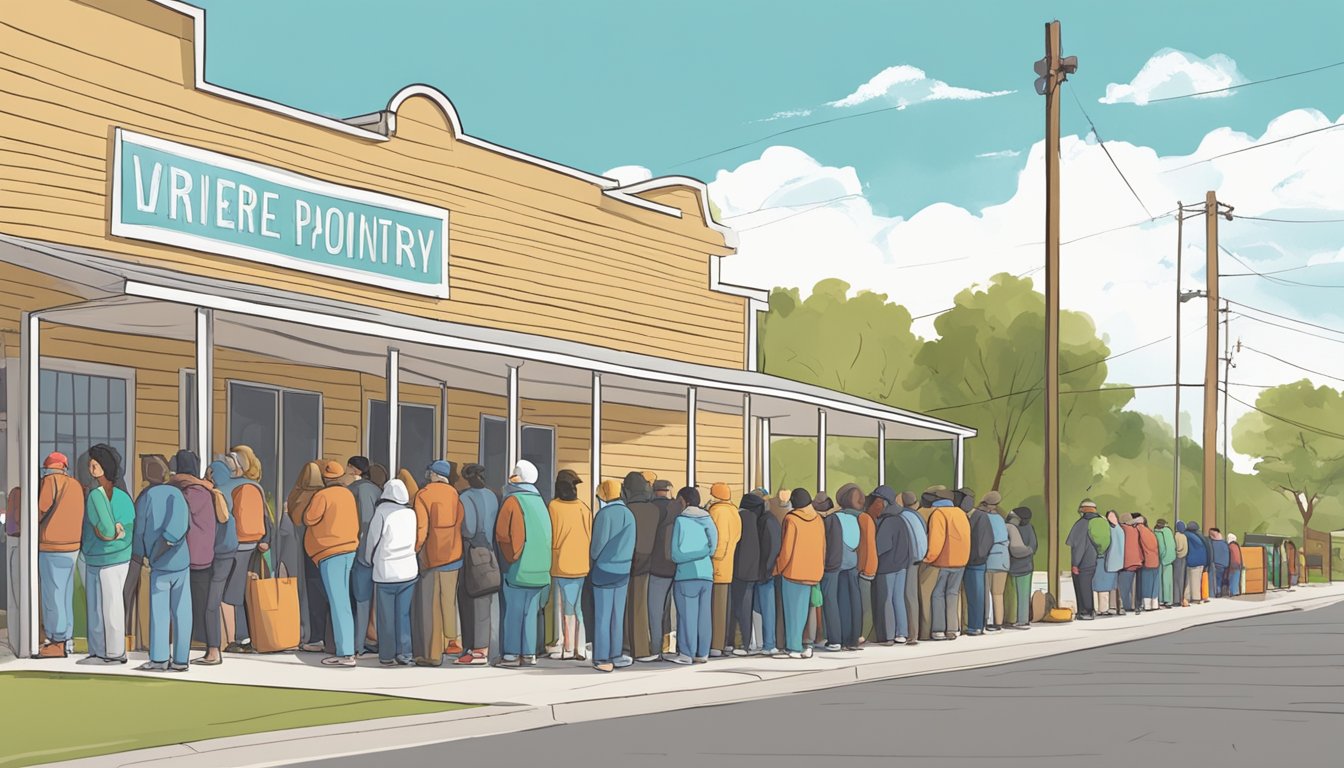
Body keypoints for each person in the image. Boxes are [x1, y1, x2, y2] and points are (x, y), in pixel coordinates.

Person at [133, 456, 191, 672]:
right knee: (182, 610)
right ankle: (181, 659)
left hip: (158, 563)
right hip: (181, 560)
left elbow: (138, 531)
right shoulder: (176, 494)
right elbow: (182, 525)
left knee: (159, 611)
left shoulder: (145, 497)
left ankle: (159, 658)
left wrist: (144, 555)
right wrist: (169, 540)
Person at [495, 460, 552, 667]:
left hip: (518, 568)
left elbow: (503, 535)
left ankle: (511, 654)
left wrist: (510, 559)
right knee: (530, 613)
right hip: (540, 569)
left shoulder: (512, 501)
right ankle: (529, 654)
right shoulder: (540, 501)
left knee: (514, 612)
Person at [81, 444, 134, 665]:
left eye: (95, 463)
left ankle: (104, 651)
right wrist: (117, 534)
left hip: (97, 557)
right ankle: (112, 650)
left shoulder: (95, 496)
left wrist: (111, 533)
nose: (91, 467)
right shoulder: (123, 496)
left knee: (98, 606)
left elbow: (105, 529)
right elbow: (126, 528)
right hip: (121, 557)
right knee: (112, 604)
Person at [304, 460, 360, 667]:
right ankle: (346, 649)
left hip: (329, 552)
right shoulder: (348, 495)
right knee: (343, 601)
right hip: (348, 550)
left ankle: (345, 653)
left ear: (325, 477)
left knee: (338, 602)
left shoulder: (322, 495)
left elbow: (309, 518)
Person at [411, 460, 465, 667]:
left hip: (432, 557)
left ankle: (433, 652)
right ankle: (452, 642)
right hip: (453, 553)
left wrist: (416, 549)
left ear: (433, 474)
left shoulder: (423, 495)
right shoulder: (454, 494)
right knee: (449, 601)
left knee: (431, 606)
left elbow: (422, 528)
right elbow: (460, 520)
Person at [363, 478, 418, 666]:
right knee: (403, 615)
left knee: (386, 617)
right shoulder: (411, 513)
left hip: (386, 570)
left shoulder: (381, 513)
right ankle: (405, 653)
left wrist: (369, 559)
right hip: (409, 570)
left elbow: (373, 540)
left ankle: (386, 655)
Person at [34, 452, 83, 658]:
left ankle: (57, 641)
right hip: (73, 546)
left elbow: (40, 509)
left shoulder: (49, 482)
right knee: (65, 594)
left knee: (52, 595)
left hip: (51, 546)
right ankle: (68, 640)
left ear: (48, 467)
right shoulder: (75, 485)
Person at [589, 479, 636, 672]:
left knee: (603, 615)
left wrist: (592, 559)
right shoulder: (629, 514)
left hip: (604, 570)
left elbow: (597, 546)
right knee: (618, 615)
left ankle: (602, 657)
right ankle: (616, 654)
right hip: (624, 570)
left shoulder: (604, 515)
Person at [667, 487, 716, 664]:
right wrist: (702, 552)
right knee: (704, 616)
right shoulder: (708, 519)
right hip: (706, 573)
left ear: (683, 501)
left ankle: (687, 653)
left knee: (687, 615)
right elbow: (712, 547)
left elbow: (675, 554)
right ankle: (703, 652)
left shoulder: (680, 520)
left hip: (685, 575)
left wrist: (691, 555)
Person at [457, 463, 500, 665]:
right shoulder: (492, 496)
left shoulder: (465, 497)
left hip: (472, 551)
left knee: (472, 600)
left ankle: (476, 650)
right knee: (487, 599)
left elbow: (470, 529)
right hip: (491, 552)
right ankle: (484, 648)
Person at [774, 488, 823, 659]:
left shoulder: (791, 519)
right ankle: (807, 644)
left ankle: (794, 647)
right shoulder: (818, 519)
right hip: (814, 571)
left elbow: (787, 549)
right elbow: (823, 546)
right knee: (809, 609)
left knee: (793, 611)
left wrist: (778, 567)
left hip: (793, 572)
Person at [287, 462, 331, 653]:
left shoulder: (296, 496)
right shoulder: (324, 495)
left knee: (309, 593)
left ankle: (312, 635)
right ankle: (326, 636)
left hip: (301, 551)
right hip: (323, 549)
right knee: (325, 593)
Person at [548, 469, 591, 661]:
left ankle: (565, 647)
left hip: (560, 562)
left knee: (562, 607)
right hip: (581, 563)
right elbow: (589, 535)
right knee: (577, 607)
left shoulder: (553, 507)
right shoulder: (584, 508)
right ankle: (579, 647)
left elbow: (551, 536)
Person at [346, 456, 382, 659]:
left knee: (360, 599)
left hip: (360, 553)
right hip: (364, 552)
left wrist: (365, 554)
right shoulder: (374, 490)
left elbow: (367, 524)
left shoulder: (361, 490)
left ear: (353, 469)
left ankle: (358, 643)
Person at [621, 472, 660, 661]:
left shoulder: (627, 510)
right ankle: (641, 646)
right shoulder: (654, 510)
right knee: (639, 606)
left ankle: (630, 645)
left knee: (626, 606)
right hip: (647, 561)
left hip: (626, 561)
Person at [822, 484, 864, 651]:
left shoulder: (833, 518)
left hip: (834, 563)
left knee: (831, 599)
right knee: (850, 600)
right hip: (852, 562)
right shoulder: (857, 519)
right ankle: (851, 638)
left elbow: (827, 543)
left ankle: (835, 640)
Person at [924, 488, 970, 639]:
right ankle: (953, 628)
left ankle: (938, 629)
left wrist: (928, 558)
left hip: (943, 561)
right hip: (961, 561)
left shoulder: (939, 514)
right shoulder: (961, 514)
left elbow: (937, 540)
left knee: (938, 594)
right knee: (953, 594)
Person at [872, 487, 912, 645]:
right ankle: (902, 632)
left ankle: (888, 634)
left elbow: (882, 545)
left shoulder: (887, 521)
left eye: (877, 500)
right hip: (901, 566)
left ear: (884, 502)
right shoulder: (900, 519)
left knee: (887, 600)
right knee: (898, 599)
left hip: (887, 567)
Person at [705, 482, 741, 657]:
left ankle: (716, 644)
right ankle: (725, 641)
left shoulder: (718, 512)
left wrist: (714, 556)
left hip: (718, 564)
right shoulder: (734, 511)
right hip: (729, 563)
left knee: (716, 607)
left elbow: (720, 539)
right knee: (725, 605)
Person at [730, 493, 766, 656]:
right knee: (747, 608)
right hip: (752, 571)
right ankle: (746, 642)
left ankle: (741, 643)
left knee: (739, 608)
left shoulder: (741, 517)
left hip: (739, 571)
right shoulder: (755, 519)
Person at [647, 479, 679, 658]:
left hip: (655, 566)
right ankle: (675, 646)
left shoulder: (650, 508)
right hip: (678, 565)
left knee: (655, 610)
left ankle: (656, 648)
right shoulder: (677, 509)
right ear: (668, 490)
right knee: (677, 611)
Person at [1064, 500, 1107, 620]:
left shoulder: (1082, 524)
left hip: (1083, 562)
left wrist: (1075, 564)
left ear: (1082, 510)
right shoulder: (1101, 522)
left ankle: (1085, 612)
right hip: (1094, 560)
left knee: (1082, 587)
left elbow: (1078, 547)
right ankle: (1090, 611)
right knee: (1087, 586)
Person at [896, 490, 928, 645]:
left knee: (907, 597)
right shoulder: (918, 516)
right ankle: (915, 632)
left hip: (908, 559)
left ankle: (911, 633)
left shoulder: (901, 516)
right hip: (919, 558)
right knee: (913, 597)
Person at [915, 486, 944, 641]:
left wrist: (926, 558)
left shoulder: (922, 513)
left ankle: (925, 632)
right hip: (943, 561)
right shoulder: (944, 512)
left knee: (924, 597)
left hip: (928, 560)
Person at [963, 489, 991, 636]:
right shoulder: (967, 517)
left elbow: (985, 541)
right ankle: (974, 624)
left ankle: (976, 625)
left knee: (977, 595)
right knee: (973, 595)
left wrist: (977, 557)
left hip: (976, 563)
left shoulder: (980, 517)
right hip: (969, 562)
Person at [982, 492, 1010, 632]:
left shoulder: (984, 518)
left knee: (986, 591)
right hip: (1003, 559)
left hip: (989, 558)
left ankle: (986, 620)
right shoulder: (1000, 519)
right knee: (998, 593)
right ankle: (998, 622)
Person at [1004, 507, 1036, 629]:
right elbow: (1034, 546)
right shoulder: (1030, 528)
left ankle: (1013, 619)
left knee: (1012, 595)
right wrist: (1027, 552)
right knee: (1023, 594)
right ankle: (1023, 620)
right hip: (1026, 565)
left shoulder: (1008, 527)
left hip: (1012, 565)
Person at [856, 485, 880, 643]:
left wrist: (862, 567)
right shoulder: (870, 519)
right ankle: (867, 633)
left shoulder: (863, 519)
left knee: (865, 605)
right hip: (871, 565)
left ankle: (863, 634)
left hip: (865, 566)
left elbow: (865, 546)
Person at [1094, 510, 1122, 615]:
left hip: (1103, 560)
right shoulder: (1111, 530)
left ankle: (1100, 608)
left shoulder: (1112, 530)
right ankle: (1103, 608)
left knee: (1100, 585)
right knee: (1103, 586)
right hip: (1105, 560)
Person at [1116, 513, 1142, 614]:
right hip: (1136, 561)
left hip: (1127, 562)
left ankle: (1127, 606)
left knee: (1124, 588)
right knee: (1131, 587)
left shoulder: (1122, 529)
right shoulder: (1134, 530)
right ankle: (1133, 605)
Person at [1134, 514, 1160, 611]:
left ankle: (1147, 605)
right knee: (1154, 583)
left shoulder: (1138, 530)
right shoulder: (1150, 531)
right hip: (1155, 560)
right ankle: (1155, 604)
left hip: (1147, 561)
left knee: (1146, 583)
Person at [1184, 521, 1208, 605]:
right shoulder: (1200, 536)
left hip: (1190, 560)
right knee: (1196, 580)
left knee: (1188, 580)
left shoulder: (1185, 535)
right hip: (1201, 561)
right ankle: (1196, 597)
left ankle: (1188, 597)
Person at [1155, 519, 1177, 608]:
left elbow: (1160, 546)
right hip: (1169, 559)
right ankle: (1168, 600)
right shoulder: (1169, 532)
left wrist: (1161, 556)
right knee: (1167, 581)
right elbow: (1172, 546)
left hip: (1160, 559)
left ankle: (1161, 599)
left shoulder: (1156, 532)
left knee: (1160, 580)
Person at [1208, 528, 1230, 599]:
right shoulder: (1224, 543)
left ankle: (1215, 592)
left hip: (1215, 564)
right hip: (1223, 565)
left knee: (1214, 579)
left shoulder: (1212, 543)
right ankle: (1219, 591)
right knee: (1219, 579)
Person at [1172, 521, 1190, 607]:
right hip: (1184, 558)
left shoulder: (1177, 536)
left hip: (1178, 559)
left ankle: (1176, 599)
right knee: (1181, 579)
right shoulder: (1184, 536)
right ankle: (1181, 598)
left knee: (1176, 579)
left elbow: (1178, 548)